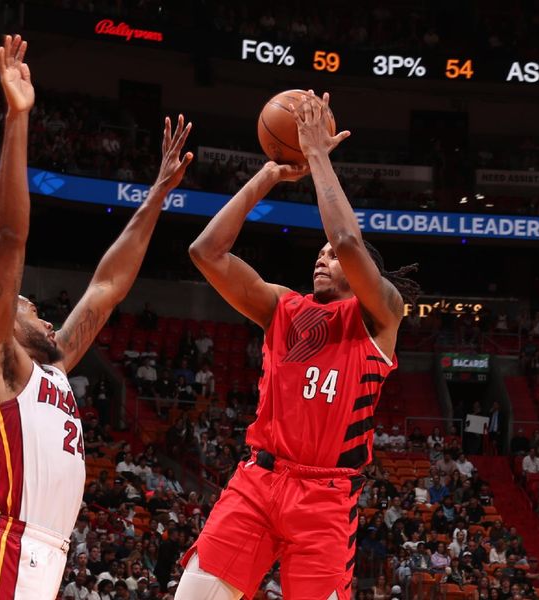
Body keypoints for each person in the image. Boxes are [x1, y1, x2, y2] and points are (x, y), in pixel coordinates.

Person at [0, 35, 193, 600]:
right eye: (33, 310)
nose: (51, 321)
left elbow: (106, 287)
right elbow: (10, 236)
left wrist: (156, 195)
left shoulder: (50, 369)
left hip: (42, 553)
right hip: (6, 547)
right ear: (6, 319)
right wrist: (17, 117)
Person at [178, 90, 419, 600]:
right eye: (319, 252)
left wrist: (317, 157)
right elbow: (206, 251)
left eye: (331, 256)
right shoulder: (284, 307)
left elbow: (351, 242)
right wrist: (269, 174)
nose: (324, 258)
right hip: (257, 484)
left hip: (326, 499)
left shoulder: (381, 315)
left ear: (362, 274)